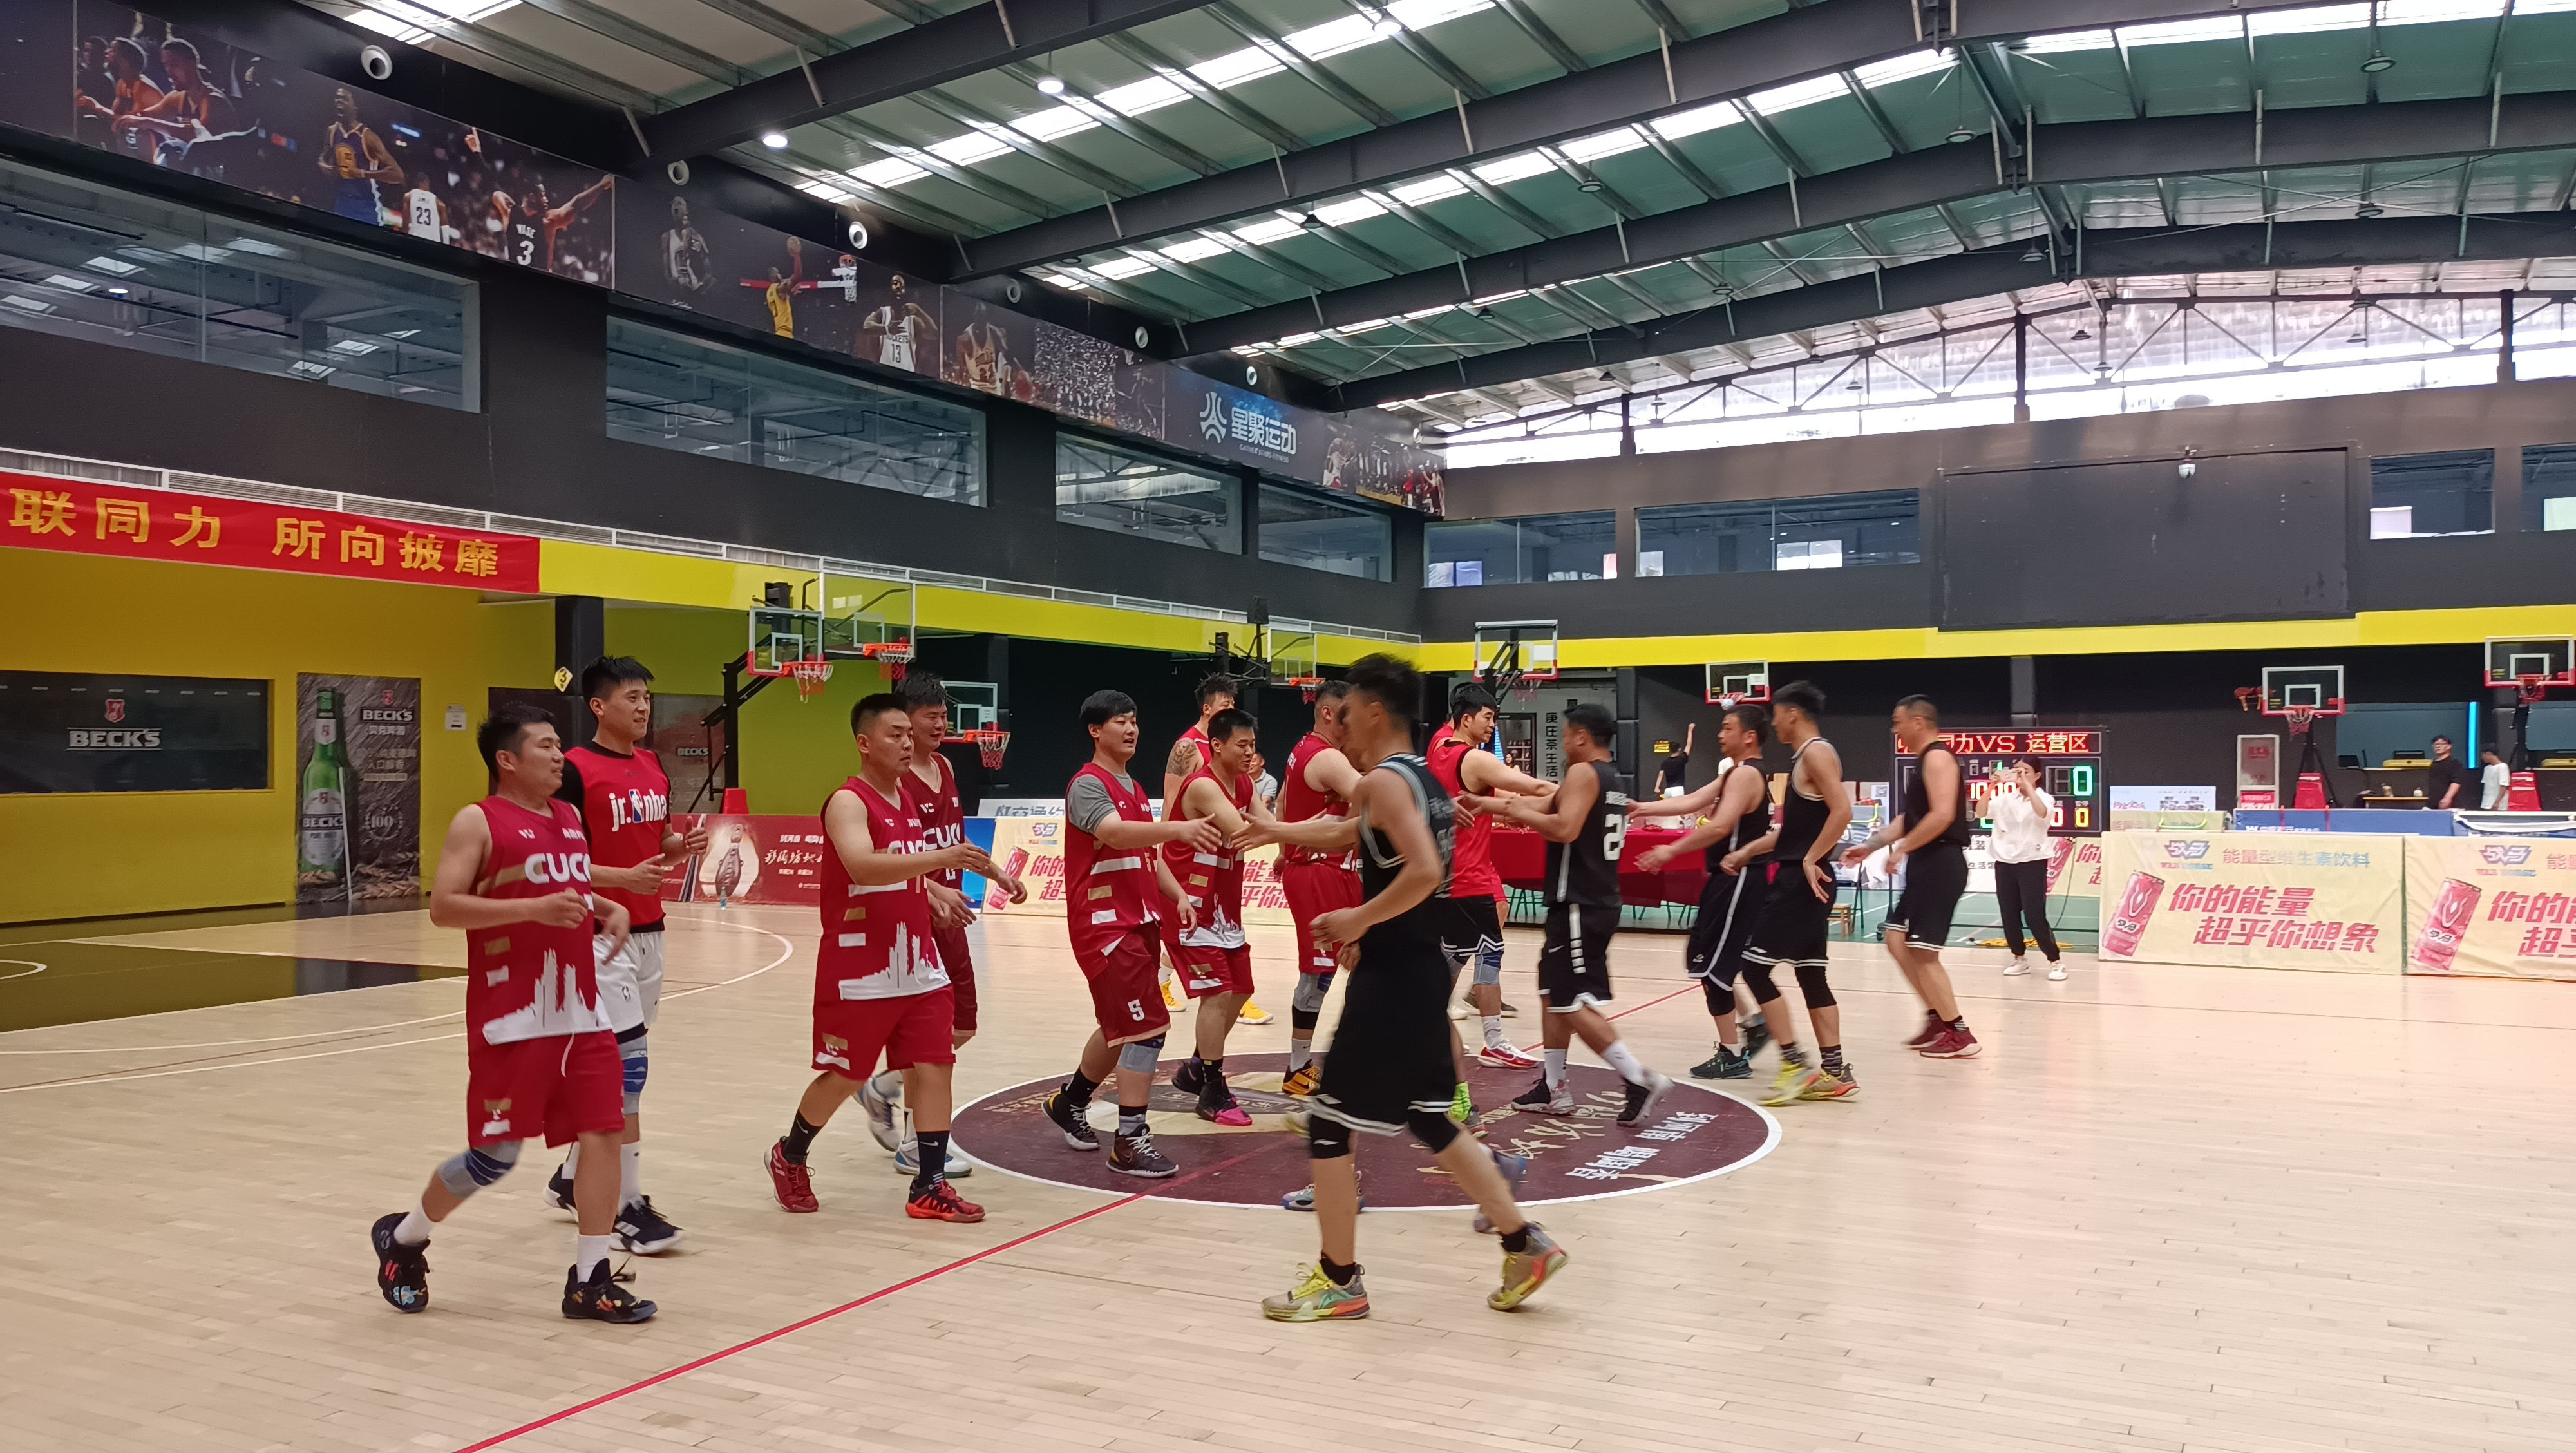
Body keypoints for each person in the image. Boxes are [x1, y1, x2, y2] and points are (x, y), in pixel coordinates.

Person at [1260, 654, 1566, 1322]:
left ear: (1374, 712)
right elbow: (1350, 831)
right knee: (1431, 1118)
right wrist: (1275, 830)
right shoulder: (1417, 777)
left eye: (1346, 712)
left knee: (1328, 1122)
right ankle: (1524, 1243)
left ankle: (1340, 1280)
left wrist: (1357, 918)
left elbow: (1424, 871)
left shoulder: (1384, 780)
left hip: (1393, 978)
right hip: (1420, 969)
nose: (1337, 723)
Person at [368, 703, 652, 1324]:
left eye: (558, 745)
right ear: (507, 760)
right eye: (545, 746)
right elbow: (444, 907)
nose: (559, 756)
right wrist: (532, 912)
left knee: (604, 1132)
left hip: (581, 1014)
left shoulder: (569, 817)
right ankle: (405, 1237)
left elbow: (565, 884)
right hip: (514, 1018)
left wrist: (605, 905)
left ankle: (590, 1279)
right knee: (494, 1159)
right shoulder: (478, 821)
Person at [762, 694, 996, 1223]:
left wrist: (934, 889)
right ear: (865, 743)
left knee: (935, 1064)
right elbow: (864, 867)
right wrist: (942, 859)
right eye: (896, 734)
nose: (907, 743)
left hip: (917, 961)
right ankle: (790, 1154)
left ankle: (928, 1185)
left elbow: (903, 866)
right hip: (861, 966)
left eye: (909, 734)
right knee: (846, 1075)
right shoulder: (848, 802)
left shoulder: (905, 799)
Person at [540, 658, 710, 1255]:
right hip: (596, 933)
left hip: (649, 930)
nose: (643, 707)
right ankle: (623, 1206)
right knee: (628, 1070)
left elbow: (655, 843)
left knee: (621, 1065)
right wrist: (621, 878)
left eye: (647, 698)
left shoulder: (652, 766)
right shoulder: (572, 771)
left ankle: (572, 1179)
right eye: (632, 697)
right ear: (599, 706)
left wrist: (679, 847)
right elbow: (555, 862)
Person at [851, 672, 1028, 1182]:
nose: (939, 725)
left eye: (943, 717)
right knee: (927, 1038)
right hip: (913, 921)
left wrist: (996, 873)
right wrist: (929, 892)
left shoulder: (946, 766)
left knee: (962, 1027)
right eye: (929, 717)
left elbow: (954, 842)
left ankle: (884, 1087)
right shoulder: (892, 781)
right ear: (903, 723)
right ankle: (915, 1144)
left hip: (952, 917)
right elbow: (890, 858)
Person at [1040, 691, 1223, 1179]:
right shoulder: (1088, 784)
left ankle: (1070, 1102)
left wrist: (1178, 895)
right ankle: (1129, 1140)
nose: (1131, 729)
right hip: (1106, 927)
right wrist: (1179, 831)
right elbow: (1117, 834)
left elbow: (1146, 853)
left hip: (1139, 922)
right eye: (1120, 721)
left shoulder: (1136, 788)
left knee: (1123, 1026)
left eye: (1135, 720)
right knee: (1148, 1029)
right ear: (1095, 731)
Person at [1490, 703, 1675, 1125]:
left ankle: (1638, 1078)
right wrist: (1487, 805)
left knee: (1569, 1000)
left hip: (1580, 902)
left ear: (1581, 737)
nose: (1562, 743)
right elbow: (1546, 803)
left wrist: (1517, 813)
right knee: (1551, 992)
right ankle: (1554, 1087)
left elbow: (1564, 827)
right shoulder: (1612, 778)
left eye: (1565, 734)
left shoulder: (1583, 773)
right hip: (1591, 901)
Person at [1726, 681, 1857, 1107]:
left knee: (1754, 968)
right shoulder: (1806, 757)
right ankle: (1835, 1071)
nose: (1775, 723)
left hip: (1802, 881)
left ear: (1793, 714)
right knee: (1811, 974)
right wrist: (1749, 850)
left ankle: (1795, 1064)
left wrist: (1811, 858)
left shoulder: (1816, 752)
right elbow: (1794, 832)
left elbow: (1843, 811)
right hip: (1807, 877)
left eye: (1777, 715)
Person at [1633, 703, 1775, 1078]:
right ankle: (1753, 1024)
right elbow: (1694, 800)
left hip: (1738, 878)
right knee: (1703, 958)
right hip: (1729, 880)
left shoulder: (1746, 775)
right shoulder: (1736, 773)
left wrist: (1671, 850)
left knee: (1714, 968)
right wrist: (1641, 807)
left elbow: (1719, 826)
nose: (1720, 734)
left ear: (1749, 737)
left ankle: (1732, 1054)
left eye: (1728, 728)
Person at [1841, 696, 1982, 1060]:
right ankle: (1936, 1018)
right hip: (1926, 863)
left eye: (1897, 721)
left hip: (1941, 863)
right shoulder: (1924, 763)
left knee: (1922, 952)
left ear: (1918, 722)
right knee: (1895, 939)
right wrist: (1870, 846)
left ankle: (1960, 1033)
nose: (1894, 729)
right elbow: (1911, 819)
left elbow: (1942, 815)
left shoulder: (1937, 758)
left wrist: (1903, 849)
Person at [1242, 682, 1363, 1096]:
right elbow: (1373, 798)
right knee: (1333, 970)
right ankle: (1311, 1066)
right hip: (1321, 870)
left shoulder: (1304, 748)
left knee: (1332, 970)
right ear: (1328, 713)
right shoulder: (1328, 757)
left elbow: (1284, 800)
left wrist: (1282, 849)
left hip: (1320, 868)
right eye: (1350, 711)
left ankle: (1309, 1064)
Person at [1426, 683, 1545, 1072]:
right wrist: (1584, 796)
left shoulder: (1438, 747)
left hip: (1450, 871)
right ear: (1466, 718)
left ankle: (1422, 1019)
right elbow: (1531, 787)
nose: (1493, 726)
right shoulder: (1473, 757)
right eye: (1489, 718)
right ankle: (1493, 1041)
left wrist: (1501, 814)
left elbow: (1467, 803)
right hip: (1468, 875)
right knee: (1489, 952)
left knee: (1456, 952)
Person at [1164, 707, 1268, 1125]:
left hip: (1223, 908)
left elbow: (1269, 825)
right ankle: (1212, 1088)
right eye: (1242, 745)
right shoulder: (1205, 786)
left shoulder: (1244, 782)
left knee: (1241, 990)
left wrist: (1300, 830)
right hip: (1189, 904)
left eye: (1254, 745)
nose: (1250, 753)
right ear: (1217, 746)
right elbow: (1247, 830)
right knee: (1218, 993)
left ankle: (1195, 1068)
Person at [1987, 757, 2065, 981]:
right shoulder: (2004, 799)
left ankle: (2055, 961)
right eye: (2017, 771)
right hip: (2005, 862)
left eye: (2026, 771)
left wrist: (2029, 787)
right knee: (2009, 914)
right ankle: (2019, 959)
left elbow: (2042, 813)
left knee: (2034, 915)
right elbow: (1981, 812)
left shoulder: (2044, 798)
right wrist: (1991, 786)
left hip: (2032, 861)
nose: (2020, 774)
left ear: (2037, 775)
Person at [319, 86, 402, 223]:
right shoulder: (332, 132)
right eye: (337, 98)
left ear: (355, 108)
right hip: (342, 203)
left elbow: (398, 175)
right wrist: (324, 166)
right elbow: (323, 157)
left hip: (366, 207)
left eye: (345, 99)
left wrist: (362, 174)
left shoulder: (368, 137)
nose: (339, 102)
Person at [864, 273, 936, 371]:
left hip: (906, 374)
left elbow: (934, 335)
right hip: (885, 371)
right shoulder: (883, 312)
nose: (899, 288)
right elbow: (867, 327)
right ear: (889, 288)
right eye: (895, 284)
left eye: (902, 286)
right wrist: (887, 329)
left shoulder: (913, 320)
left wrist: (920, 312)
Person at [661, 197, 714, 294]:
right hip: (675, 287)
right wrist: (670, 281)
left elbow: (705, 261)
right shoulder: (667, 237)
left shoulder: (694, 236)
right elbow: (666, 266)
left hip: (693, 286)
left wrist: (704, 281)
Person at [2426, 735, 2471, 810]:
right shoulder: (2431, 765)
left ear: (2449, 746)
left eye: (2441, 744)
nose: (2437, 746)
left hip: (2450, 806)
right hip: (2431, 805)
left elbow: (2456, 782)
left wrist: (2448, 798)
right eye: (2435, 745)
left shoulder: (2454, 764)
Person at [1654, 723, 1695, 799]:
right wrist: (1690, 730)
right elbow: (1688, 746)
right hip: (1678, 790)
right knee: (1679, 806)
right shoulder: (1681, 760)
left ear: (1670, 750)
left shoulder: (1665, 763)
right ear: (1679, 750)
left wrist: (1657, 788)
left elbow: (1661, 775)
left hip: (1668, 791)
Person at [2481, 746, 2512, 810]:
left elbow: (2504, 786)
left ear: (2489, 754)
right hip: (2487, 803)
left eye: (2483, 755)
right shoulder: (2487, 768)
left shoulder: (2503, 767)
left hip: (2499, 804)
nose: (2482, 758)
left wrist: (2497, 802)